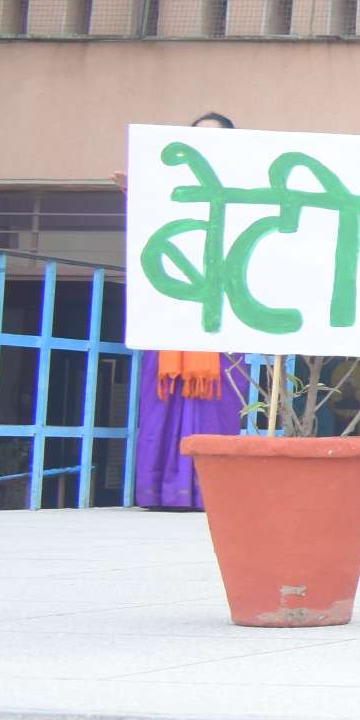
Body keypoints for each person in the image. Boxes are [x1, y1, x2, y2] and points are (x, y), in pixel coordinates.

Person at [127, 111, 249, 510]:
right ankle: (161, 492)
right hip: (171, 312)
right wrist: (138, 197)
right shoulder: (170, 186)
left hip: (225, 314)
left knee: (218, 403)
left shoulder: (248, 187)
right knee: (162, 402)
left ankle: (210, 492)